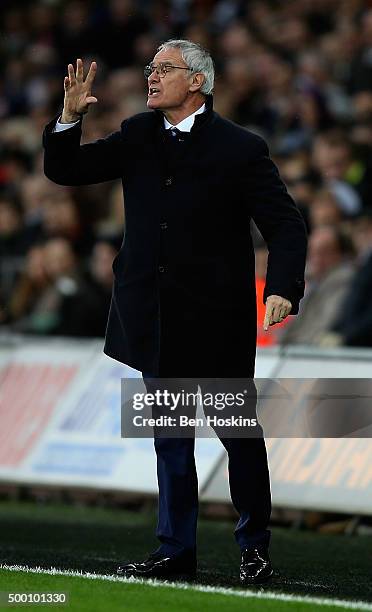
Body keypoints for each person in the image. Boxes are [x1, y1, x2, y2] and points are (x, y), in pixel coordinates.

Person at [43, 39, 307, 585]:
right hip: (154, 316)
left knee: (238, 435)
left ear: (198, 82)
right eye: (150, 68)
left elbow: (286, 225)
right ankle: (175, 549)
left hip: (217, 319)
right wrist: (68, 119)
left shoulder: (240, 147)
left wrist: (281, 287)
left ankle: (254, 547)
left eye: (165, 69)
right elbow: (67, 171)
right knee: (170, 439)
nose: (152, 77)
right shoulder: (139, 133)